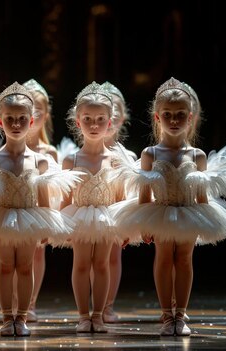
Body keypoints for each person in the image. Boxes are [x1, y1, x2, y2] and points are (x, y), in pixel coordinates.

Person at [113, 77, 226, 336]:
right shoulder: (150, 154)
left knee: (184, 259)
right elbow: (143, 195)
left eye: (180, 115)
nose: (174, 120)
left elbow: (201, 195)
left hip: (189, 213)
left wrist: (206, 219)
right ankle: (167, 315)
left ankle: (180, 314)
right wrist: (143, 224)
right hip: (160, 212)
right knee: (164, 258)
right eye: (168, 115)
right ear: (157, 117)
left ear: (191, 117)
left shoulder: (197, 155)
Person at [0, 82, 77, 336]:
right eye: (9, 119)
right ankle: (5, 318)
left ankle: (21, 317)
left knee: (24, 266)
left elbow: (44, 199)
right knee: (4, 266)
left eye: (22, 118)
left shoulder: (40, 160)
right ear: (0, 122)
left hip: (30, 218)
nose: (15, 124)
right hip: (1, 218)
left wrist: (46, 224)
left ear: (31, 121)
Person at [60, 81, 127, 334]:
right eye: (88, 119)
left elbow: (120, 196)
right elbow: (66, 199)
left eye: (100, 119)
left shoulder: (116, 159)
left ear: (110, 122)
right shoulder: (72, 159)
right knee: (80, 264)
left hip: (106, 218)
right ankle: (82, 316)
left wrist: (124, 226)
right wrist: (62, 223)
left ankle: (98, 314)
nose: (94, 125)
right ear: (78, 122)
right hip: (80, 217)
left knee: (101, 264)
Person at [16, 78, 59, 323]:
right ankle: (14, 300)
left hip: (38, 209)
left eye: (38, 112)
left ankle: (30, 302)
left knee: (37, 254)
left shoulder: (49, 152)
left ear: (45, 115)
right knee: (12, 256)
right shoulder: (11, 148)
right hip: (14, 209)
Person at [93, 81, 135, 323]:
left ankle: (107, 305)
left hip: (114, 212)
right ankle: (93, 307)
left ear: (122, 117)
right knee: (90, 259)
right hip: (91, 211)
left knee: (113, 257)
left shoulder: (125, 156)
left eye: (117, 109)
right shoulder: (86, 152)